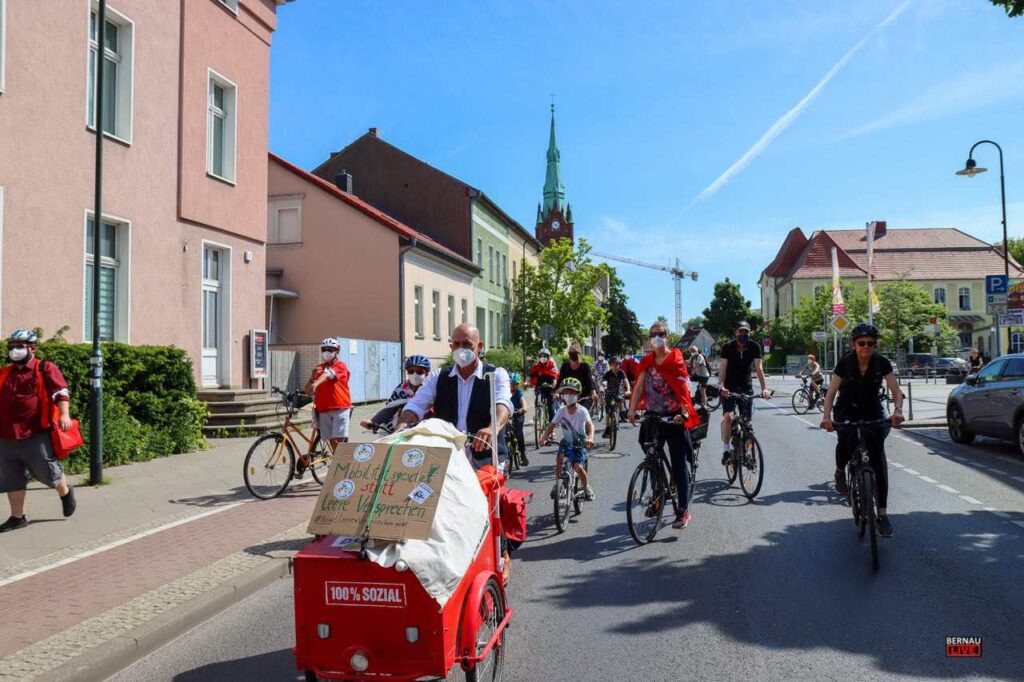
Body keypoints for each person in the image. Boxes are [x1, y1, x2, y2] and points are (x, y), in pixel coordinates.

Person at [820, 322, 904, 538]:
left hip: (872, 408)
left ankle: (883, 516)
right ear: (853, 344)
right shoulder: (845, 363)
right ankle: (840, 472)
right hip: (846, 408)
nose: (866, 347)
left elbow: (895, 390)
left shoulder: (881, 362)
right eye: (861, 343)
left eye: (870, 343)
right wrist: (827, 417)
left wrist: (897, 410)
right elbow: (830, 394)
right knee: (846, 442)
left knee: (878, 460)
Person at [399, 324, 512, 470]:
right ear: (451, 347)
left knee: (482, 492)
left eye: (467, 344)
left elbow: (503, 404)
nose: (461, 349)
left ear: (480, 346)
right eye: (457, 344)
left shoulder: (495, 374)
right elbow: (416, 405)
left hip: (486, 459)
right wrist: (401, 428)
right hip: (447, 458)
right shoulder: (438, 376)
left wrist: (492, 428)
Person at [0, 328, 76, 533]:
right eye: (12, 346)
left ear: (32, 347)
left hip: (35, 433)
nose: (14, 350)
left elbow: (61, 393)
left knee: (47, 472)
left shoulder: (44, 368)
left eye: (19, 346)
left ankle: (65, 493)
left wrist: (64, 414)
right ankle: (17, 517)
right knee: (10, 477)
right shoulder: (5, 373)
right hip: (6, 435)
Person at [628, 320, 701, 529]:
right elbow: (639, 385)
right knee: (652, 456)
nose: (656, 338)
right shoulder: (647, 361)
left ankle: (683, 510)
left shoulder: (675, 358)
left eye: (659, 334)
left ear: (667, 336)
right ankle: (658, 496)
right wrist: (632, 409)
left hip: (674, 415)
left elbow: (684, 390)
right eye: (652, 335)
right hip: (654, 415)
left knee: (678, 464)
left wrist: (684, 414)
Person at [718, 321, 771, 465]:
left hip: (746, 387)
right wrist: (721, 387)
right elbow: (722, 369)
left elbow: (759, 369)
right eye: (740, 332)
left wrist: (764, 388)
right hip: (729, 388)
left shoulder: (754, 347)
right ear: (735, 333)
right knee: (728, 417)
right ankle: (726, 449)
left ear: (750, 333)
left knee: (747, 422)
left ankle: (747, 451)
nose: (743, 335)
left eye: (746, 332)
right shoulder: (727, 348)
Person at [539, 378, 595, 500]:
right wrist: (544, 437)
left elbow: (590, 425)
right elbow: (551, 425)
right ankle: (557, 484)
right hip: (566, 442)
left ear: (577, 394)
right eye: (566, 392)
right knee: (559, 461)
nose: (568, 395)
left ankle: (586, 487)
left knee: (577, 467)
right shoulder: (561, 411)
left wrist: (590, 437)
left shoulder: (582, 411)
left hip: (580, 442)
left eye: (572, 392)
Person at [360, 355, 432, 432]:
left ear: (427, 373)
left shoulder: (431, 387)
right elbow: (390, 408)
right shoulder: (402, 388)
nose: (415, 375)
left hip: (428, 427)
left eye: (419, 372)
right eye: (411, 371)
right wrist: (374, 421)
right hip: (404, 429)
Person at [305, 337, 352, 453]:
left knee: (338, 440)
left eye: (331, 349)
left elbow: (328, 374)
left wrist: (316, 383)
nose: (327, 352)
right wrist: (312, 377)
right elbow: (308, 390)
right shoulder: (319, 367)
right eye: (324, 349)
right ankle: (337, 462)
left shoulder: (341, 366)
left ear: (337, 351)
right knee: (330, 439)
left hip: (339, 407)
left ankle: (340, 466)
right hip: (323, 409)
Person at [555, 343, 597, 409]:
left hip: (583, 396)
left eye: (575, 353)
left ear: (579, 354)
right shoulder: (565, 366)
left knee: (583, 413)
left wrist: (593, 393)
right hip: (569, 396)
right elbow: (560, 380)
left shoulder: (585, 366)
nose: (573, 354)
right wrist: (556, 392)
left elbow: (590, 381)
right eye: (571, 353)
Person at [601, 356, 630, 437]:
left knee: (620, 400)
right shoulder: (608, 373)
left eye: (617, 364)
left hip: (618, 393)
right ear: (610, 365)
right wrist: (602, 387)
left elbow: (626, 381)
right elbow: (603, 382)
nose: (615, 366)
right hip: (609, 394)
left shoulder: (621, 372)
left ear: (619, 365)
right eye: (613, 364)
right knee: (608, 411)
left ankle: (621, 414)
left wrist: (628, 390)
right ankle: (607, 428)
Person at [528, 348, 559, 422]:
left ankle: (552, 427)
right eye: (541, 356)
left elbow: (555, 376)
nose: (543, 358)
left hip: (549, 386)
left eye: (545, 356)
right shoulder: (537, 365)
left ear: (548, 357)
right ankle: (538, 413)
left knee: (550, 407)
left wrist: (554, 383)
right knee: (538, 398)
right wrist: (527, 382)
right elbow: (531, 374)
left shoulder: (552, 364)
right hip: (540, 386)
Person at [508, 372, 529, 466]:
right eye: (511, 383)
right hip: (507, 416)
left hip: (518, 415)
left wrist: (523, 408)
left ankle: (523, 454)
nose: (513, 385)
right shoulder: (505, 392)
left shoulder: (519, 392)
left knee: (519, 433)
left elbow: (523, 401)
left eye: (515, 384)